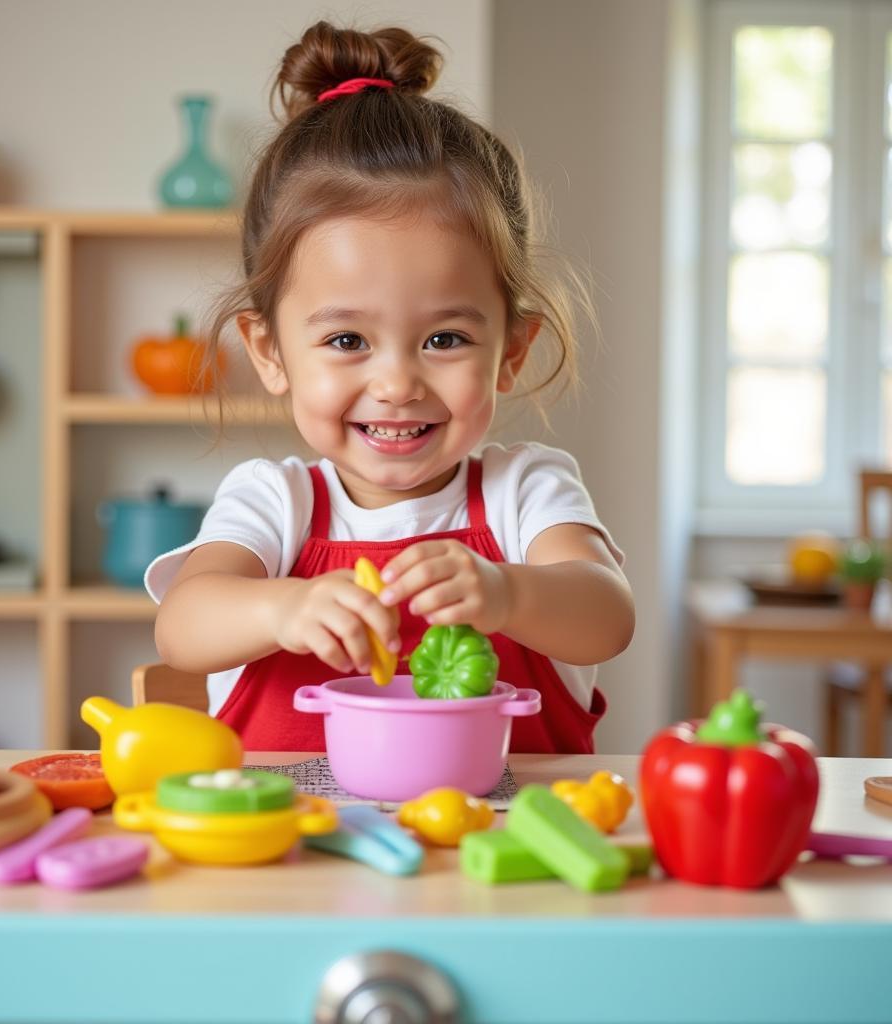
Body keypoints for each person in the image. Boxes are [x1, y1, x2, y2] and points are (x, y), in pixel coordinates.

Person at [146, 21, 635, 753]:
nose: (398, 383)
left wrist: (509, 593)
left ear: (511, 350)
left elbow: (607, 615)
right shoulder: (274, 503)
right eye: (347, 341)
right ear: (269, 351)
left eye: (445, 339)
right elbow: (182, 627)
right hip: (293, 860)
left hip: (503, 865)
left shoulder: (524, 491)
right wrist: (284, 609)